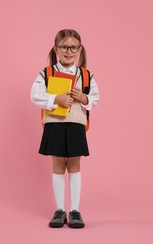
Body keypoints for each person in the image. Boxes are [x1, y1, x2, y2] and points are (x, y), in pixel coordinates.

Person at [30, 29, 100, 228]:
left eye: (73, 47)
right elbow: (35, 95)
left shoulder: (85, 75)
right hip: (55, 124)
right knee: (59, 165)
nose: (69, 51)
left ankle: (75, 211)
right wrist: (55, 99)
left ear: (79, 49)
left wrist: (83, 98)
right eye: (64, 47)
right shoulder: (47, 73)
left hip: (76, 125)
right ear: (56, 49)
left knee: (75, 165)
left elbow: (95, 98)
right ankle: (59, 210)